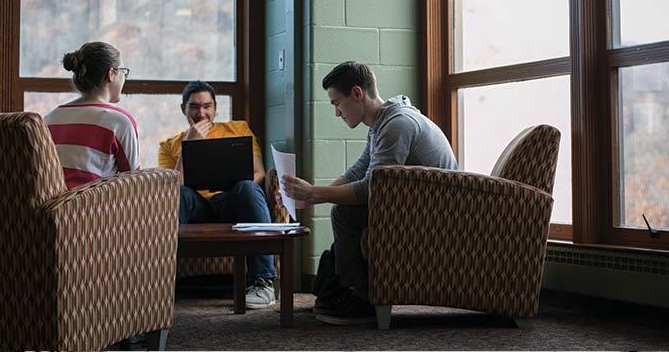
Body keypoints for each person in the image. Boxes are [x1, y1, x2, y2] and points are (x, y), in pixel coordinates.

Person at [282, 61, 457, 325]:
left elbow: (371, 189)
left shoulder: (398, 124)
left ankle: (361, 298)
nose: (337, 113)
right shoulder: (381, 123)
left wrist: (317, 194)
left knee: (344, 213)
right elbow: (359, 172)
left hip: (437, 214)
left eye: (336, 103)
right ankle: (340, 291)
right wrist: (314, 193)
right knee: (344, 213)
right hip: (415, 204)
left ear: (356, 93)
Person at [158, 80, 277, 309]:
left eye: (207, 106)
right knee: (179, 194)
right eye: (194, 106)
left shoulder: (238, 129)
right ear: (183, 109)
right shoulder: (168, 145)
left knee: (249, 187)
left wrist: (232, 184)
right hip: (196, 207)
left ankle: (263, 281)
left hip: (233, 201)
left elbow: (259, 172)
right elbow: (170, 189)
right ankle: (158, 282)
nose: (201, 113)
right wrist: (188, 145)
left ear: (215, 108)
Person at [45, 41, 139, 189]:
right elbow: (134, 182)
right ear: (111, 74)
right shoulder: (118, 121)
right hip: (92, 209)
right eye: (124, 72)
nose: (124, 78)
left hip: (50, 209)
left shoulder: (50, 118)